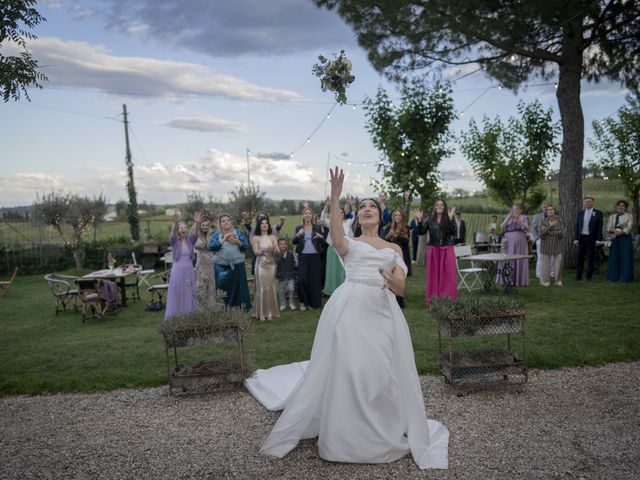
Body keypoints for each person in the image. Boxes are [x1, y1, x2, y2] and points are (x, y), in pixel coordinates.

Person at [252, 167, 449, 469]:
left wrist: (388, 280)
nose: (367, 209)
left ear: (381, 216)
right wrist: (334, 197)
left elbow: (401, 286)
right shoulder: (349, 244)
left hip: (382, 310)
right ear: (356, 218)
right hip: (349, 306)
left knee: (380, 369)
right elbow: (335, 234)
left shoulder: (393, 248)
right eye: (362, 207)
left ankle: (380, 430)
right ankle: (344, 435)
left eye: (372, 206)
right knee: (350, 367)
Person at [416, 199, 458, 303]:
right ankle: (433, 298)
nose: (439, 206)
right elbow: (421, 232)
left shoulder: (448, 218)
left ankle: (448, 298)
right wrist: (420, 220)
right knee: (433, 275)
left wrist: (451, 219)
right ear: (435, 207)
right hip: (433, 250)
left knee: (448, 275)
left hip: (447, 249)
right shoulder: (429, 219)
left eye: (442, 205)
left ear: (444, 207)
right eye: (438, 205)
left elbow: (454, 232)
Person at [209, 214, 251, 311]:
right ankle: (224, 312)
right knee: (223, 291)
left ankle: (241, 312)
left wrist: (237, 242)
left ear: (231, 222)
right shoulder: (216, 234)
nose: (226, 222)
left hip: (237, 267)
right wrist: (224, 239)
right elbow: (211, 247)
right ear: (220, 224)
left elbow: (246, 247)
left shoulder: (238, 232)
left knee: (239, 291)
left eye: (228, 220)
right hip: (222, 269)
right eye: (223, 221)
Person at [165, 214, 198, 321]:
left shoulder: (190, 240)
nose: (183, 229)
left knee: (189, 291)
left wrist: (196, 223)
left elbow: (195, 234)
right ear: (178, 230)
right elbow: (172, 235)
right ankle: (176, 315)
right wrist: (175, 224)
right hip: (178, 270)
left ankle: (189, 314)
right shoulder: (174, 241)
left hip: (189, 270)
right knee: (177, 291)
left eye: (184, 227)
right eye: (181, 228)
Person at [292, 207, 325, 311]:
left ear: (312, 215)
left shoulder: (317, 228)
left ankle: (312, 303)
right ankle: (303, 302)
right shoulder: (298, 228)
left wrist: (321, 237)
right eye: (305, 213)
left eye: (309, 213)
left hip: (315, 257)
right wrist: (298, 235)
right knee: (302, 279)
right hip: (303, 257)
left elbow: (323, 243)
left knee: (314, 280)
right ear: (303, 215)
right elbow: (293, 242)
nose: (307, 215)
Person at [320, 198, 354, 296]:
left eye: (342, 212)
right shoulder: (330, 222)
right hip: (333, 250)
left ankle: (345, 291)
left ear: (344, 214)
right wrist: (327, 206)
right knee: (333, 271)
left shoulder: (347, 223)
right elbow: (322, 219)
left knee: (344, 271)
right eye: (338, 212)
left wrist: (351, 204)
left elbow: (355, 216)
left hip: (345, 250)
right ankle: (333, 291)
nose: (340, 214)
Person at [251, 217, 280, 320]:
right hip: (261, 265)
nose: (264, 225)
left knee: (271, 287)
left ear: (268, 225)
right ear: (259, 226)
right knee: (262, 288)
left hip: (271, 265)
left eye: (266, 223)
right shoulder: (256, 238)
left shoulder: (273, 237)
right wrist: (260, 251)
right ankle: (261, 313)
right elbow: (255, 252)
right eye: (262, 223)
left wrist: (277, 249)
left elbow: (277, 248)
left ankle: (271, 312)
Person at [385, 208, 412, 308]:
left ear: (402, 217)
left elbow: (406, 241)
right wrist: (389, 235)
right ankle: (392, 298)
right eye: (396, 215)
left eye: (399, 215)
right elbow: (385, 241)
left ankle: (400, 299)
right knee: (391, 276)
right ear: (393, 217)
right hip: (391, 254)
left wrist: (395, 235)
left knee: (400, 276)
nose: (397, 217)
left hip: (403, 254)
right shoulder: (389, 228)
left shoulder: (406, 228)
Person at [498, 205, 530, 287]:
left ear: (520, 210)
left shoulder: (524, 217)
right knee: (508, 257)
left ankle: (520, 280)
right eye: (514, 209)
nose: (515, 210)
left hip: (520, 240)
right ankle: (507, 279)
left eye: (517, 209)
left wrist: (518, 220)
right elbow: (502, 227)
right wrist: (508, 217)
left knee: (519, 258)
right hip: (508, 240)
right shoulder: (508, 217)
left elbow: (526, 228)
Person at [573, 196, 604, 281]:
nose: (587, 203)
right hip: (581, 238)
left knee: (590, 258)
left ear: (593, 202)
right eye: (586, 201)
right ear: (584, 203)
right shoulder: (581, 213)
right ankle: (578, 275)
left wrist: (598, 239)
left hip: (591, 238)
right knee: (580, 257)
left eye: (589, 201)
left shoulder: (598, 213)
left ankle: (589, 276)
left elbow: (599, 227)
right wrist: (576, 239)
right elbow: (577, 227)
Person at [606, 199, 634, 282]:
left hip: (625, 239)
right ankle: (613, 277)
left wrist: (618, 232)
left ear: (625, 207)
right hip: (614, 239)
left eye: (622, 205)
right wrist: (613, 232)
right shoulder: (612, 216)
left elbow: (629, 228)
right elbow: (608, 228)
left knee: (625, 257)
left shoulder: (629, 216)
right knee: (614, 257)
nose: (620, 207)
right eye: (619, 205)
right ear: (616, 206)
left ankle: (624, 277)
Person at [194, 213, 216, 309]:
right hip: (200, 264)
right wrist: (196, 222)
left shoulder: (212, 235)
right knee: (201, 287)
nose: (205, 227)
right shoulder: (196, 236)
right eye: (203, 225)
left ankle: (211, 308)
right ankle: (201, 309)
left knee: (211, 287)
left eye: (206, 225)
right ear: (200, 226)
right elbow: (192, 234)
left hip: (211, 264)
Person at [539, 205, 564, 287]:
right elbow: (541, 233)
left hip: (557, 244)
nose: (550, 211)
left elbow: (562, 233)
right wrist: (551, 226)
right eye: (548, 210)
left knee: (559, 261)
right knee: (545, 264)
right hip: (546, 244)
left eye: (551, 210)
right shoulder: (543, 220)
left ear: (554, 211)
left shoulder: (560, 220)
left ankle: (558, 280)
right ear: (546, 212)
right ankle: (545, 281)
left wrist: (548, 231)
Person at [530, 202, 551, 279]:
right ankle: (539, 274)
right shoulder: (537, 216)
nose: (546, 209)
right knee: (541, 257)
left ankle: (549, 273)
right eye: (544, 207)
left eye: (547, 207)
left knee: (550, 257)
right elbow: (533, 228)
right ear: (542, 208)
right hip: (541, 239)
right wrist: (537, 239)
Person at [275, 238, 297, 311]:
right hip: (281, 276)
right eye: (280, 244)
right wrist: (281, 254)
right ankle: (283, 304)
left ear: (287, 245)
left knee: (291, 289)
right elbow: (277, 262)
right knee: (282, 291)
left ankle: (291, 302)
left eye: (284, 244)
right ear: (278, 245)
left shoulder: (290, 254)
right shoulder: (277, 254)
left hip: (290, 275)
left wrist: (294, 271)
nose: (283, 245)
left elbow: (293, 264)